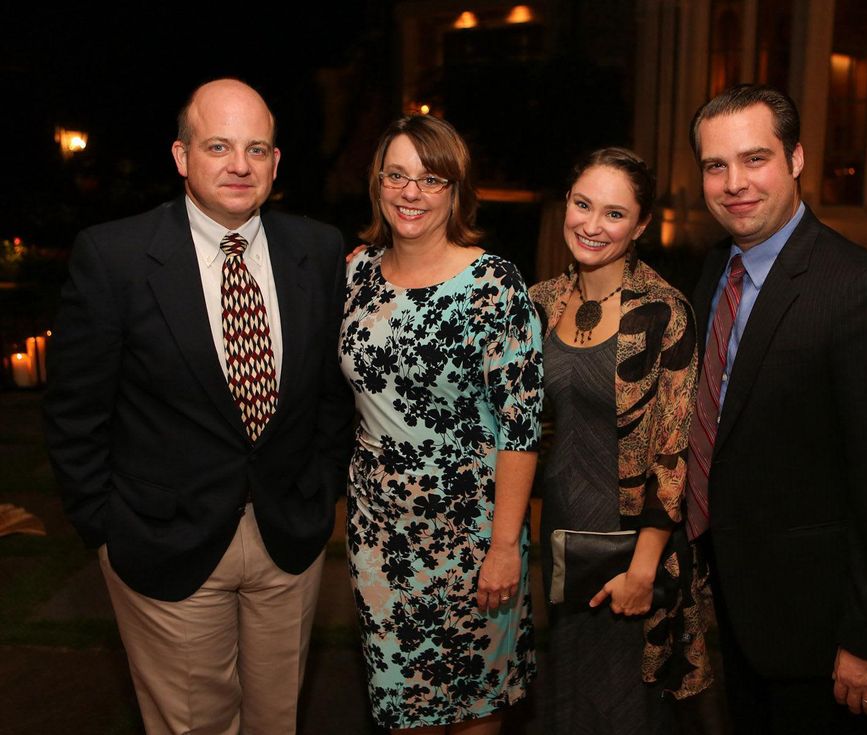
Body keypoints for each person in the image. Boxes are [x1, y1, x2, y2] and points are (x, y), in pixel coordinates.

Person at [44, 78, 354, 735]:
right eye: (218, 146)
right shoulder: (116, 256)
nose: (240, 165)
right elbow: (76, 411)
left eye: (257, 148)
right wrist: (104, 526)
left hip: (287, 537)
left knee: (277, 722)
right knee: (195, 726)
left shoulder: (320, 251)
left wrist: (319, 486)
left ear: (276, 162)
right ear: (182, 156)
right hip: (160, 540)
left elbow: (333, 391)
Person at [685, 84, 867, 734]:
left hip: (821, 635)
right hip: (739, 607)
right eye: (716, 165)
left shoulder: (862, 293)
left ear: (796, 158)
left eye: (755, 158)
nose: (735, 182)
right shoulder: (716, 269)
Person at [340, 114, 543, 734]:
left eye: (431, 179)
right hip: (380, 539)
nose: (411, 193)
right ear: (377, 185)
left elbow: (522, 428)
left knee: (473, 714)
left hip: (473, 540)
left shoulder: (494, 285)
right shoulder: (356, 276)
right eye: (396, 176)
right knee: (404, 715)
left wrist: (504, 548)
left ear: (456, 190)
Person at [529, 147, 712, 735]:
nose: (591, 224)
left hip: (632, 544)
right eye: (583, 205)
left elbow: (674, 448)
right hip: (559, 529)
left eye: (614, 213)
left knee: (625, 708)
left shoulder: (664, 312)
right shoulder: (539, 303)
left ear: (640, 226)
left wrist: (644, 567)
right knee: (565, 700)